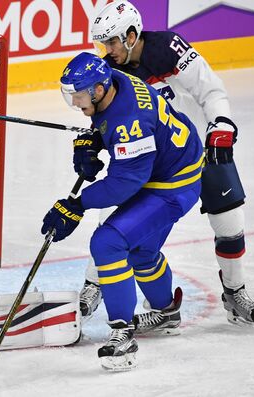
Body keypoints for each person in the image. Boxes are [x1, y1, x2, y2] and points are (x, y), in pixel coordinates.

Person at [80, 0, 254, 326]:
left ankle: (235, 292)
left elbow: (210, 88)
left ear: (132, 34)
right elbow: (107, 118)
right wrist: (93, 140)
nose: (108, 50)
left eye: (113, 41)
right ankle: (94, 282)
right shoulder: (112, 72)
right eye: (102, 43)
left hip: (200, 147)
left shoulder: (169, 49)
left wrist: (221, 125)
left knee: (229, 220)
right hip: (157, 158)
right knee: (115, 216)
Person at [41, 52, 203, 370]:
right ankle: (166, 311)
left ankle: (122, 334)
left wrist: (76, 205)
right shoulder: (119, 80)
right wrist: (92, 141)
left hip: (171, 184)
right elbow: (110, 126)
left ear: (98, 89)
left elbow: (125, 183)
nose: (74, 102)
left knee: (108, 242)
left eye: (78, 95)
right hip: (171, 164)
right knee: (142, 252)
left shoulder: (130, 122)